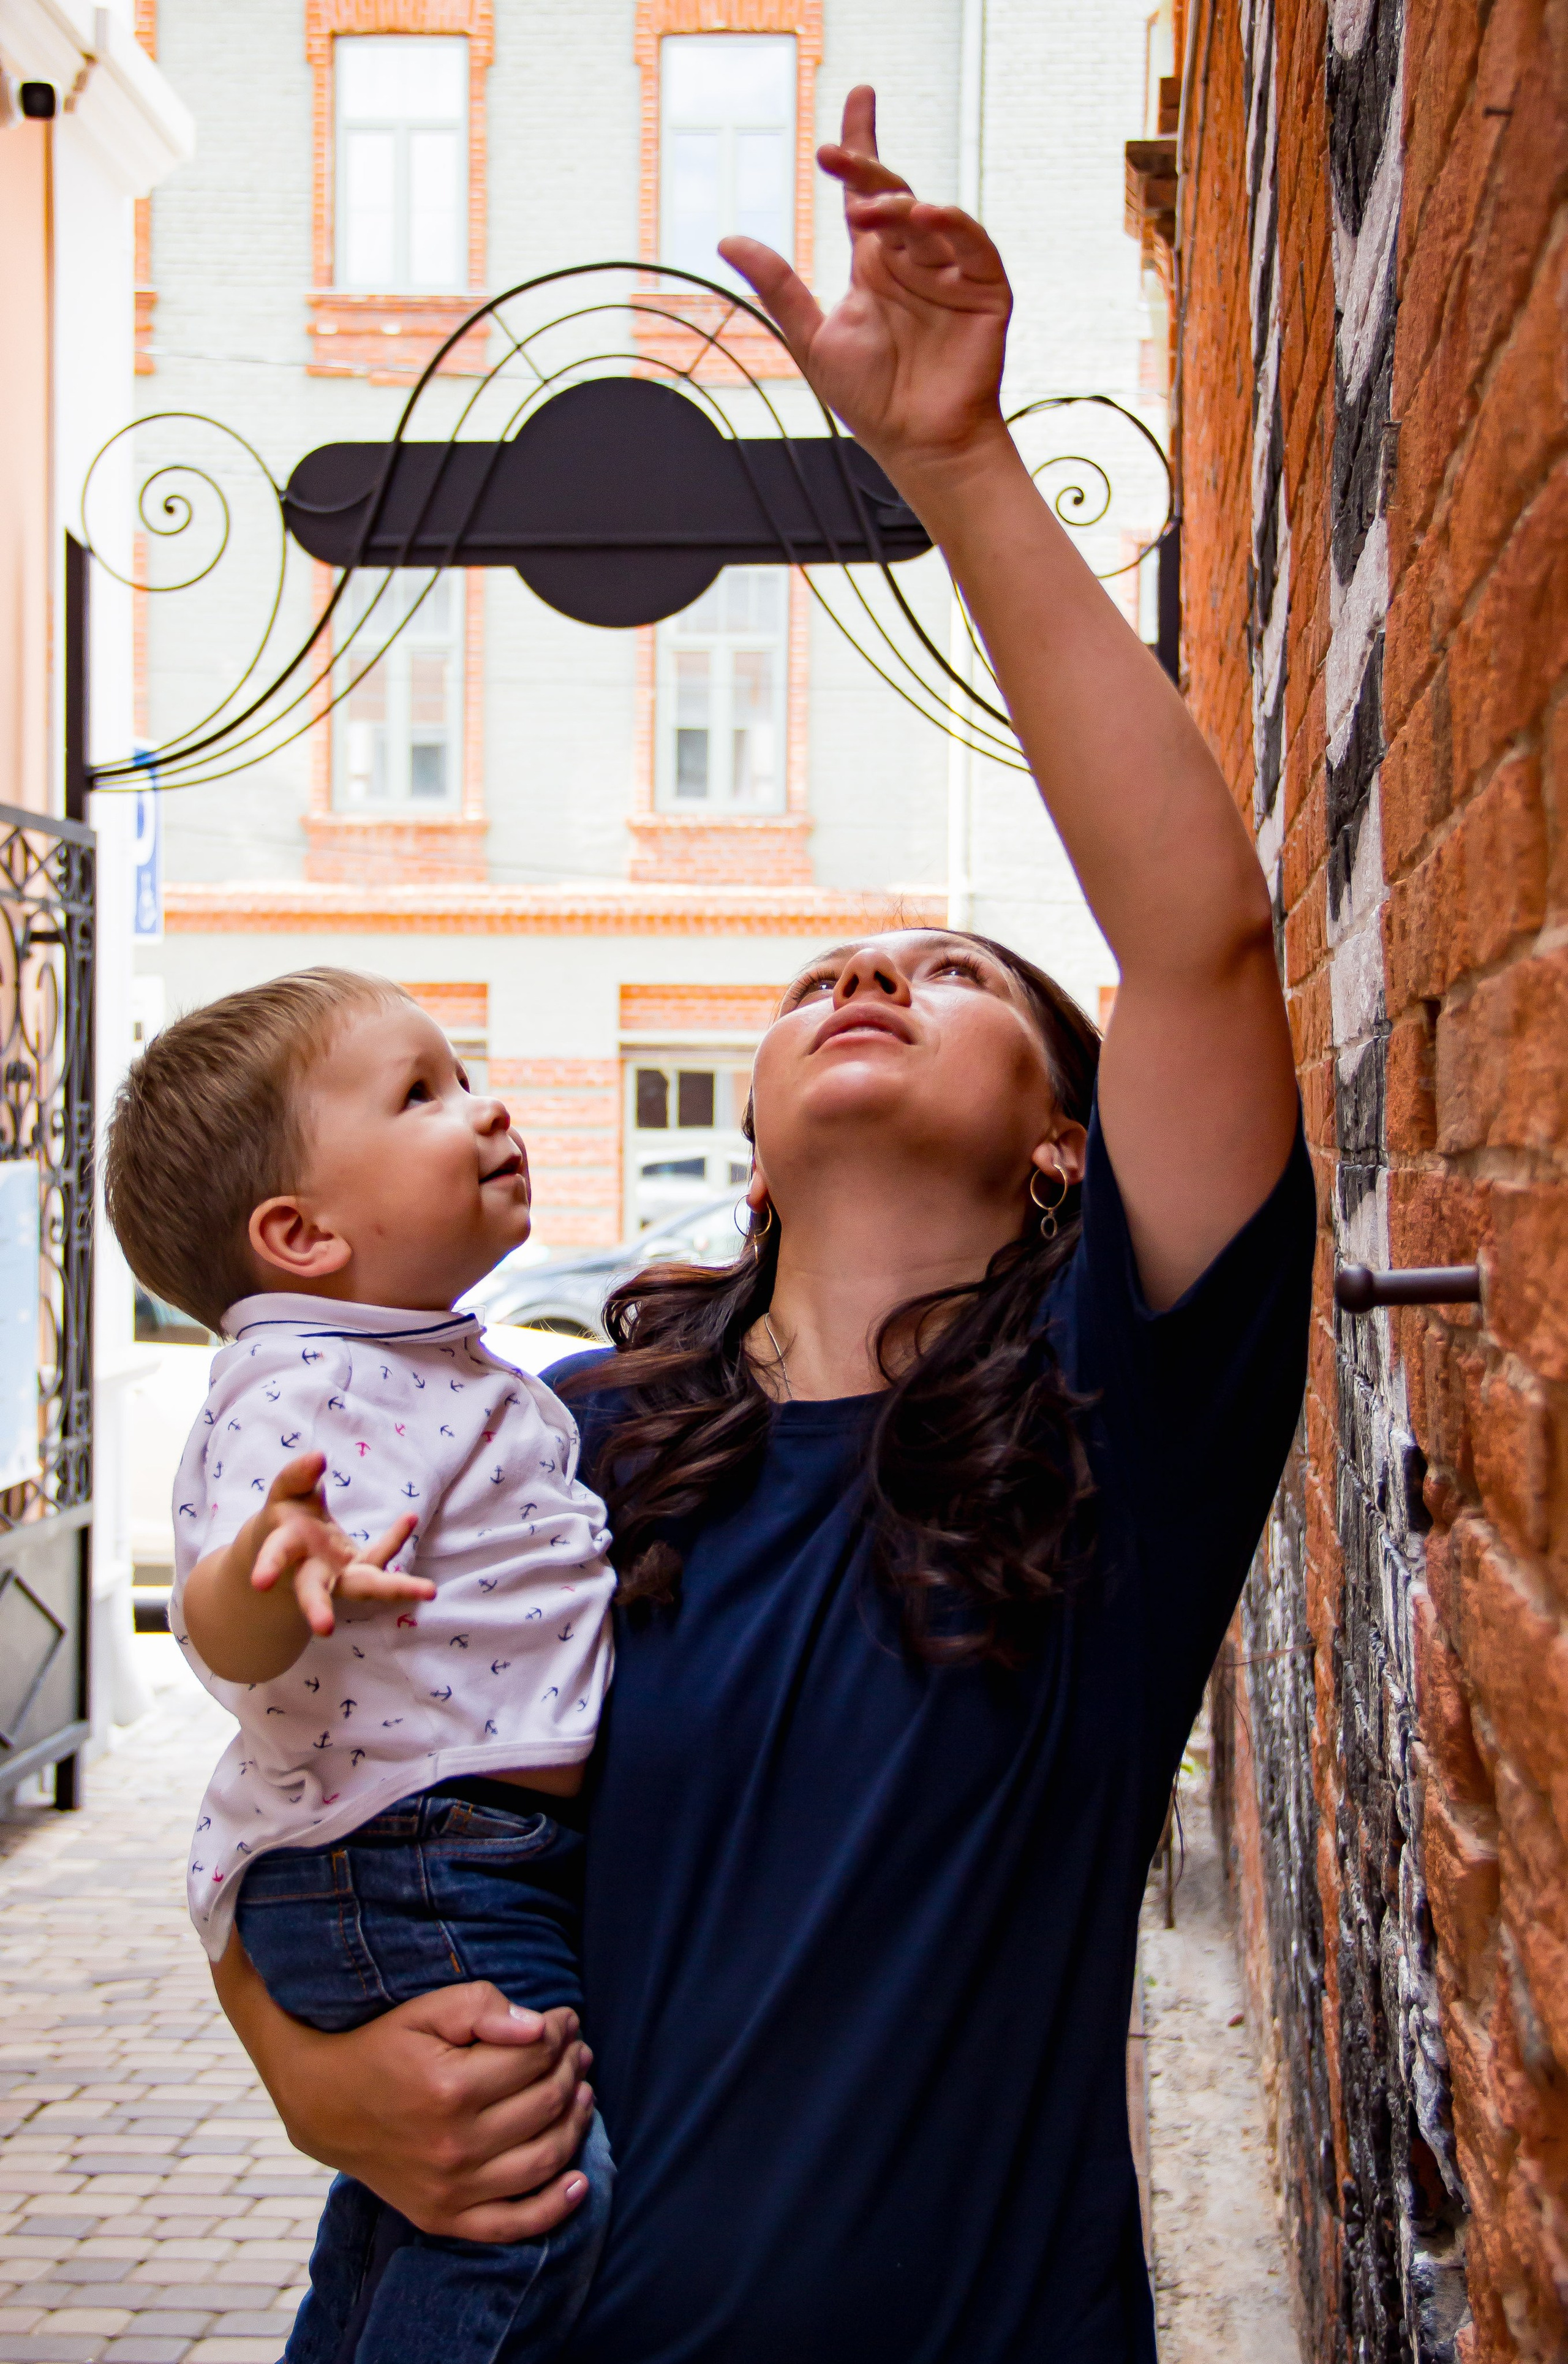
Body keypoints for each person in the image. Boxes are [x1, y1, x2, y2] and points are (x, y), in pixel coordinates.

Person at [205, 85, 1314, 2364]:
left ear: (1063, 1154)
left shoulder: (1116, 1415)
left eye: (959, 978)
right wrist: (307, 2069)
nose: (869, 976)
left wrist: (961, 460)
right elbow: (316, 1783)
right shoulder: (567, 1439)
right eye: (829, 969)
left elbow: (1202, 947)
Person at [102, 969, 618, 2364]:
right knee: (532, 2200)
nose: (486, 1105)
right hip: (404, 1855)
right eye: (422, 1092)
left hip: (433, 1851)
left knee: (406, 2210)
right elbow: (221, 1618)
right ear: (302, 1234)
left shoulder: (437, 1366)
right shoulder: (306, 1387)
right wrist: (273, 1566)